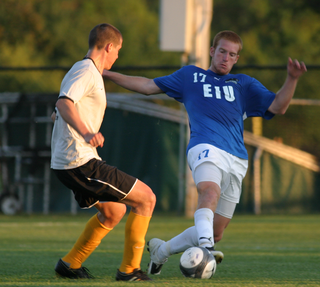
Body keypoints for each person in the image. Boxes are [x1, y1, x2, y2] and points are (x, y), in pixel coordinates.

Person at [103, 30, 307, 275]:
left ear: (236, 59)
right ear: (212, 51)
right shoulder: (191, 76)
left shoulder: (244, 84)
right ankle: (205, 249)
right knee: (209, 191)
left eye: (232, 54)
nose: (225, 58)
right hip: (205, 146)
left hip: (237, 159)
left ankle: (162, 251)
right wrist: (104, 73)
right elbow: (146, 86)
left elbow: (278, 107)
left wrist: (292, 79)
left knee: (216, 231)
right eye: (222, 51)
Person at [51, 23, 156, 282]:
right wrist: (87, 132)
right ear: (109, 47)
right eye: (118, 50)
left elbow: (66, 105)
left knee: (114, 211)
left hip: (71, 163)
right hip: (79, 162)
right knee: (146, 199)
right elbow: (63, 102)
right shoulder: (86, 70)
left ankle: (69, 264)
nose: (118, 56)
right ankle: (130, 270)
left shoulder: (87, 72)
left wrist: (66, 118)